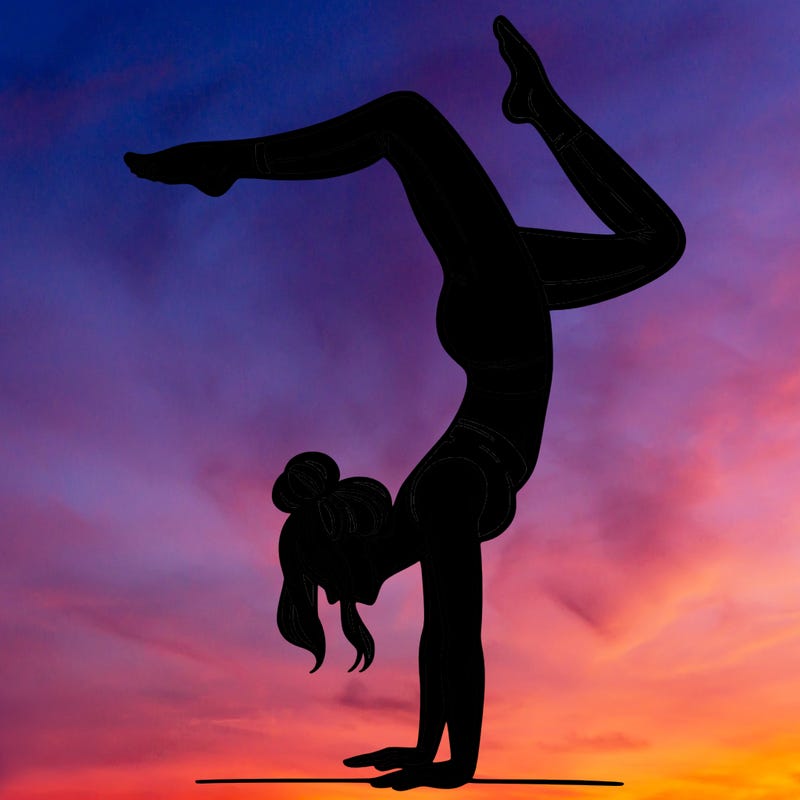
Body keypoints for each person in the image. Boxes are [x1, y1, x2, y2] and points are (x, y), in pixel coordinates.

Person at [125, 16, 685, 790]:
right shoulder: (440, 501)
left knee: (425, 133)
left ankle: (526, 109)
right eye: (347, 520)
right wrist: (444, 761)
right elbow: (453, 632)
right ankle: (237, 161)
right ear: (352, 563)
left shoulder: (428, 506)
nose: (358, 494)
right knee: (410, 124)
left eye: (342, 504)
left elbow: (445, 631)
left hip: (500, 317)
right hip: (501, 315)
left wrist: (438, 757)